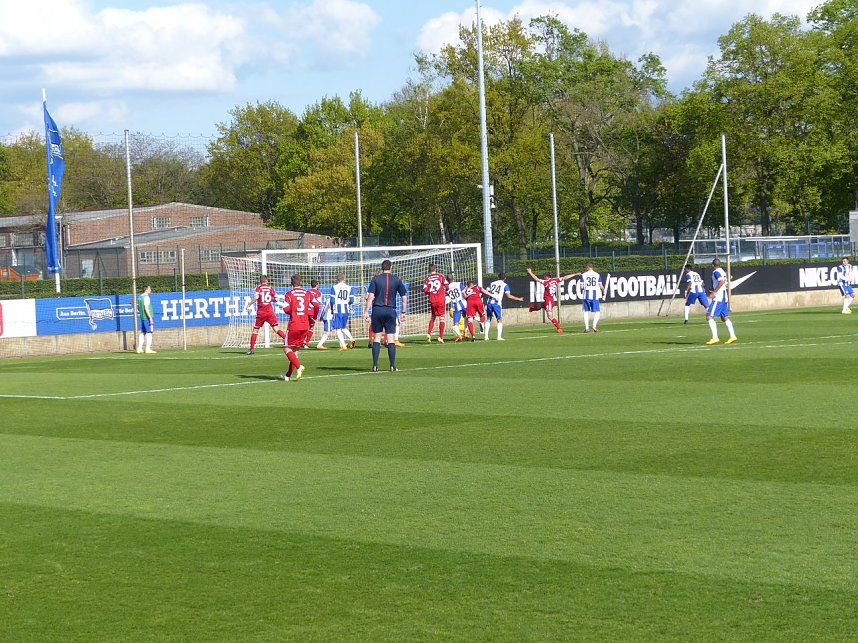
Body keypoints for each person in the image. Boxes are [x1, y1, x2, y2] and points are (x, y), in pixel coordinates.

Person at [364, 259, 408, 372]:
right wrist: (403, 312)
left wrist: (366, 311)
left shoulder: (376, 280)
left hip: (377, 310)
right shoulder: (397, 280)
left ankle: (375, 365)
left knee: (377, 338)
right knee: (391, 338)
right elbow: (404, 298)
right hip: (390, 310)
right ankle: (392, 365)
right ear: (391, 267)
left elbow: (371, 297)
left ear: (382, 268)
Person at [281, 274, 318, 380]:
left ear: (291, 283)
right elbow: (316, 305)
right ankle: (287, 375)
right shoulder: (307, 293)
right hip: (305, 325)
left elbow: (286, 309)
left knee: (287, 348)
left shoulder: (289, 294)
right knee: (295, 351)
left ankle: (299, 366)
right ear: (301, 282)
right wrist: (313, 317)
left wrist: (293, 311)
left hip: (294, 324)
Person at [526, 267, 580, 333]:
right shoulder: (555, 280)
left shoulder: (546, 282)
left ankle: (559, 328)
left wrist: (530, 272)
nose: (544, 278)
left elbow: (536, 279)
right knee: (541, 306)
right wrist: (575, 274)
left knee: (550, 316)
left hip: (548, 301)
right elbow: (565, 277)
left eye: (544, 277)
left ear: (546, 277)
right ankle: (532, 309)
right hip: (551, 300)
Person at [244, 275, 287, 355]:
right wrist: (271, 299)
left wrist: (249, 304)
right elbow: (277, 299)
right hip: (270, 312)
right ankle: (287, 340)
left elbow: (256, 297)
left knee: (255, 330)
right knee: (276, 329)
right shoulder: (270, 288)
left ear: (260, 281)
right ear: (267, 281)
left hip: (261, 312)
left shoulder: (259, 288)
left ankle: (251, 349)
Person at [705, 258, 737, 345]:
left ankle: (715, 337)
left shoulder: (716, 272)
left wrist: (714, 292)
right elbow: (724, 282)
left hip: (719, 297)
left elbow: (721, 281)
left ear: (712, 265)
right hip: (724, 296)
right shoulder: (723, 271)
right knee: (724, 317)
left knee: (709, 316)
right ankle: (732, 336)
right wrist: (713, 289)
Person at [484, 273, 524, 340]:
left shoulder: (492, 283)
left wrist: (490, 295)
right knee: (499, 319)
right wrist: (519, 299)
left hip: (489, 302)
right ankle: (499, 337)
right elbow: (509, 296)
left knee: (488, 318)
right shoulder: (505, 285)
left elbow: (486, 291)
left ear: (498, 277)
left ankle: (486, 336)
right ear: (505, 278)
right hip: (497, 303)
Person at [330, 273, 357, 351]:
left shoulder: (334, 287)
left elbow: (332, 301)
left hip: (338, 309)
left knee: (338, 328)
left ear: (337, 279)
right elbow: (352, 300)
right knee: (343, 327)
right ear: (344, 279)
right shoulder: (349, 287)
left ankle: (343, 346)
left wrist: (332, 309)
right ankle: (351, 339)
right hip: (346, 309)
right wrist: (347, 304)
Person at [423, 264, 449, 343]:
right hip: (441, 299)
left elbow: (425, 290)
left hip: (432, 300)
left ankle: (429, 334)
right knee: (442, 318)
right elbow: (447, 286)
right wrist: (442, 289)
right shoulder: (441, 276)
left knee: (433, 317)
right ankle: (441, 337)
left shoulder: (427, 279)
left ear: (429, 270)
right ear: (436, 269)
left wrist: (431, 292)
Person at [578, 262, 606, 333]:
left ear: (587, 267)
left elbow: (581, 287)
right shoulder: (597, 275)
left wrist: (583, 289)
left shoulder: (583, 275)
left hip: (586, 295)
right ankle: (594, 325)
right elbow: (601, 286)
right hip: (595, 296)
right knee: (597, 311)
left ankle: (587, 328)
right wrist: (604, 290)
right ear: (592, 267)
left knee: (585, 311)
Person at [446, 272, 468, 341]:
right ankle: (466, 332)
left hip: (456, 306)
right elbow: (464, 295)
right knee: (466, 317)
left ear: (447, 280)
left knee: (455, 323)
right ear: (453, 278)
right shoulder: (459, 284)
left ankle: (459, 335)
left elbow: (448, 297)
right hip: (464, 304)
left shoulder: (447, 288)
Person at [135, 284, 156, 354]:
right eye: (149, 289)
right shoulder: (146, 297)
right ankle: (148, 349)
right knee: (149, 332)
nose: (150, 290)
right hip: (147, 317)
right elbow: (146, 308)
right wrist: (150, 318)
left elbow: (138, 307)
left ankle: (139, 348)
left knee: (143, 332)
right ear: (146, 289)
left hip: (142, 317)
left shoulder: (140, 297)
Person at [305, 278, 324, 347]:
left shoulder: (307, 291)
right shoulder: (319, 293)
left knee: (304, 327)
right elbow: (317, 304)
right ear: (317, 285)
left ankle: (301, 342)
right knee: (311, 328)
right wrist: (316, 316)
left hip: (305, 311)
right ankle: (306, 343)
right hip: (312, 312)